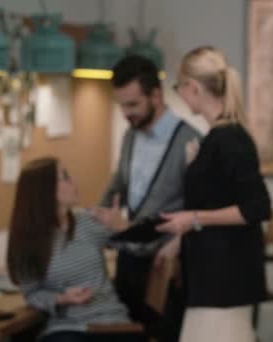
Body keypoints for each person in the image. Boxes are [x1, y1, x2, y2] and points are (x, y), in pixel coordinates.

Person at [156, 46, 271, 342]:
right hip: (211, 275)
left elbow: (256, 207)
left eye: (178, 87)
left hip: (226, 279)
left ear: (192, 87)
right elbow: (215, 195)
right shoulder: (215, 139)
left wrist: (191, 218)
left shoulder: (231, 139)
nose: (179, 95)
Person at [93, 55, 201, 341]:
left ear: (155, 95)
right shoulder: (132, 134)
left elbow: (200, 210)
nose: (126, 113)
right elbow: (119, 183)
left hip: (165, 266)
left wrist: (178, 248)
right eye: (121, 105)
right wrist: (97, 216)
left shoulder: (190, 141)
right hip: (130, 259)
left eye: (133, 104)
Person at [6, 157, 136, 342]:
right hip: (66, 329)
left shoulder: (88, 221)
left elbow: (141, 249)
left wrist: (122, 227)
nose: (74, 181)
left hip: (112, 323)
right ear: (44, 190)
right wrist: (62, 298)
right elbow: (32, 294)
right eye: (65, 177)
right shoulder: (29, 241)